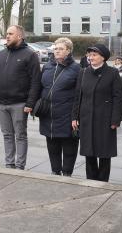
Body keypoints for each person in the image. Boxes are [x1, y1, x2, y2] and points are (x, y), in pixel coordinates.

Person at [0, 25, 41, 170]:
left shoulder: (30, 55)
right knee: (7, 135)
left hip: (20, 103)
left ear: (20, 36)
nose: (7, 36)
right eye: (6, 33)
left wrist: (30, 102)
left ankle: (20, 165)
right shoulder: (0, 54)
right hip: (1, 104)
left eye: (10, 34)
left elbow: (35, 81)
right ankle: (9, 164)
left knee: (20, 135)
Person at [72, 43, 122, 182]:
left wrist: (115, 120)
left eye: (94, 55)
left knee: (105, 153)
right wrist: (74, 117)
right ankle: (91, 181)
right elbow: (78, 96)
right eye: (89, 54)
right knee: (89, 152)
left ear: (103, 58)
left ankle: (103, 182)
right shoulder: (83, 72)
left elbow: (118, 98)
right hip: (86, 118)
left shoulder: (112, 73)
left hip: (105, 119)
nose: (90, 57)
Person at [39, 38, 80, 176]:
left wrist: (76, 116)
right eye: (55, 48)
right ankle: (55, 172)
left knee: (69, 148)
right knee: (52, 147)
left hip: (67, 115)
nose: (57, 51)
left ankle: (67, 174)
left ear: (68, 51)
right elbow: (40, 87)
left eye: (61, 49)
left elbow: (79, 94)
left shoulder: (76, 68)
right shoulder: (47, 66)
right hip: (48, 115)